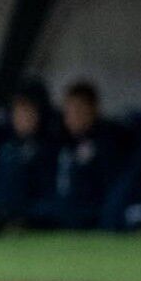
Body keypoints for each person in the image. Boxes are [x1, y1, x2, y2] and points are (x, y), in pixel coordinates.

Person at [42, 80, 128, 230]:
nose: (72, 117)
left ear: (93, 110)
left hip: (92, 211)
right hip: (60, 208)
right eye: (68, 111)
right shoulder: (59, 141)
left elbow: (110, 185)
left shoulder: (107, 143)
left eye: (78, 110)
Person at [0, 86, 58, 228]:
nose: (24, 118)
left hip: (38, 219)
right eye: (19, 113)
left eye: (28, 112)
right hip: (5, 219)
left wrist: (28, 214)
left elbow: (49, 192)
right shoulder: (4, 148)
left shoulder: (50, 148)